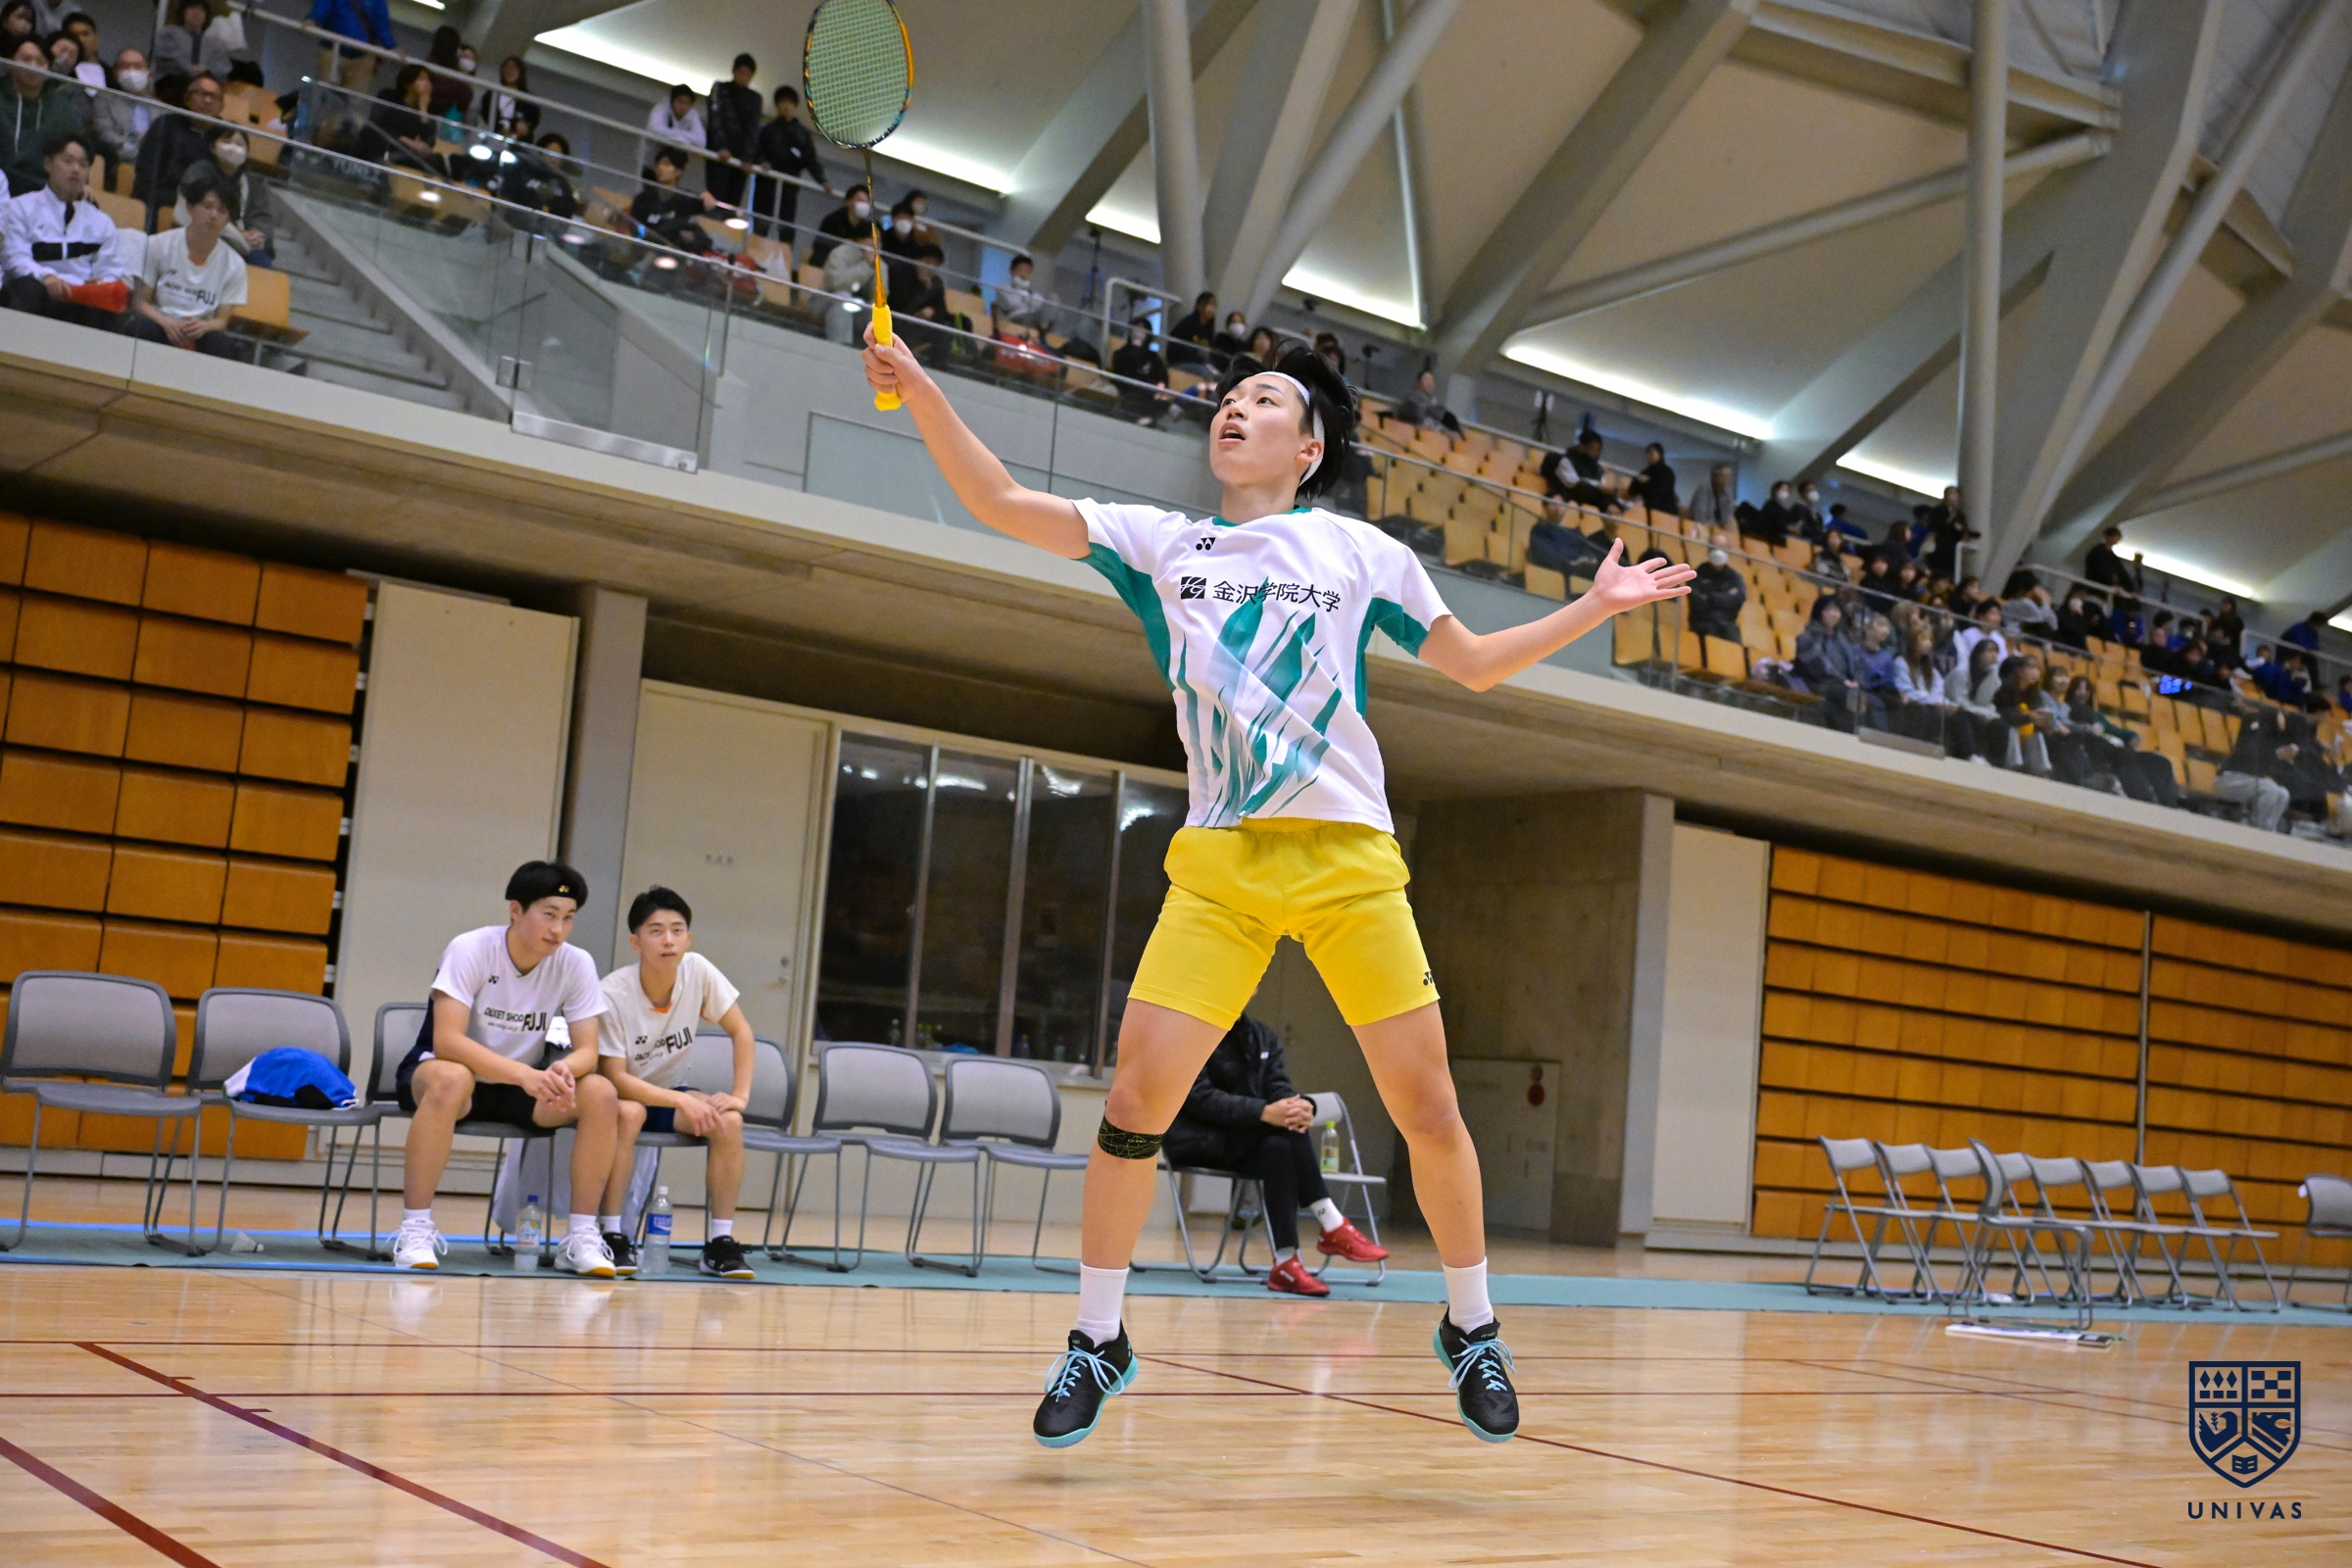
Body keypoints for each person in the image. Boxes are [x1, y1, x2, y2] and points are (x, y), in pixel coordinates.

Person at [857, 324, 1693, 1451]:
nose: (1234, 408)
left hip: (1349, 860)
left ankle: (1473, 1323)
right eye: (1230, 395)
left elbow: (1475, 664)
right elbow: (1000, 500)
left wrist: (1595, 606)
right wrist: (919, 389)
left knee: (1429, 1107)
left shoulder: (1361, 553)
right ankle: (1098, 1336)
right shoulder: (1163, 544)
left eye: (1263, 399)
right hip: (1224, 863)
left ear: (1308, 449)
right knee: (1133, 1104)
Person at [391, 861, 626, 1276]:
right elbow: (448, 1042)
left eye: (568, 918)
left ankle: (581, 1236)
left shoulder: (576, 963)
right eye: (549, 914)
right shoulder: (471, 948)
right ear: (516, 911)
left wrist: (564, 1071)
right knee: (451, 1078)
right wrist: (525, 1076)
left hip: (524, 1087)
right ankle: (415, 1229)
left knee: (602, 1093)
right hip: (447, 1075)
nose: (558, 929)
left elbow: (588, 1051)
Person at [1161, 1013, 1389, 1298]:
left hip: (1246, 1139)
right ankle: (1331, 1223)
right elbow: (1199, 1098)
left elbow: (1278, 1085)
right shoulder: (1192, 1033)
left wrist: (1296, 1107)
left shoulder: (1262, 1035)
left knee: (1281, 1143)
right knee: (1283, 1134)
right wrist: (1264, 1112)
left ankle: (1285, 1262)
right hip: (1197, 1140)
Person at [596, 887, 760, 1280]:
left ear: (688, 938)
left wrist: (739, 1096)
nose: (668, 940)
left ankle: (719, 1243)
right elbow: (615, 1077)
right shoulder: (612, 993)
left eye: (677, 930)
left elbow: (741, 1032)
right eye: (656, 931)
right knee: (629, 1114)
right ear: (636, 942)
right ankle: (612, 1234)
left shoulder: (697, 971)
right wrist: (681, 1101)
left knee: (729, 1122)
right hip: (623, 1096)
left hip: (671, 1095)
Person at [1, 127, 123, 323]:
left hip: (81, 297)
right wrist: (46, 277)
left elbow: (111, 270)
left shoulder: (102, 223)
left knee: (109, 309)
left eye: (83, 164)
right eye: (67, 161)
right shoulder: (20, 208)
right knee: (27, 290)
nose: (75, 169)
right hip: (38, 288)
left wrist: (101, 283)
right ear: (48, 164)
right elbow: (14, 257)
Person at [126, 160, 244, 355]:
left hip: (200, 330)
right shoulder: (158, 244)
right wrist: (165, 321)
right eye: (207, 206)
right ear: (190, 207)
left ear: (228, 220)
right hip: (162, 320)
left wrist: (205, 326)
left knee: (223, 345)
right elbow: (139, 302)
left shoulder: (235, 264)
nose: (214, 215)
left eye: (222, 211)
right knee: (140, 328)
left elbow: (222, 320)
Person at [130, 67, 218, 218]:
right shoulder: (166, 125)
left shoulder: (223, 137)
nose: (208, 101)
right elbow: (146, 173)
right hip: (161, 204)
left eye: (214, 96)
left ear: (221, 106)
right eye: (202, 94)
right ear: (188, 99)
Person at [177, 123, 267, 266]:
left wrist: (256, 233)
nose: (233, 148)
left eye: (239, 144)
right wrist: (239, 236)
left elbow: (261, 216)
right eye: (227, 141)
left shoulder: (252, 183)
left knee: (261, 259)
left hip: (241, 241)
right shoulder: (198, 172)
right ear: (213, 147)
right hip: (203, 233)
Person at [3, 36, 80, 195]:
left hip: (43, 191)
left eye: (41, 62)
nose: (33, 67)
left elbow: (75, 152)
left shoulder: (62, 109)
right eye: (26, 59)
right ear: (10, 62)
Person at [753, 82, 824, 249]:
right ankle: (756, 253)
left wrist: (822, 180)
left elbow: (810, 159)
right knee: (761, 222)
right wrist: (762, 162)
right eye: (783, 102)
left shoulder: (802, 133)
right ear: (777, 105)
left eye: (790, 103)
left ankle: (784, 258)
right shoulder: (768, 130)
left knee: (786, 225)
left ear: (795, 106)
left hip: (789, 187)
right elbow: (757, 151)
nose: (786, 106)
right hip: (766, 184)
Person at [1793, 594, 1868, 731]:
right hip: (1814, 682)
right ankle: (1848, 734)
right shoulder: (1806, 637)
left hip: (1839, 684)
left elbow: (1856, 664)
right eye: (1829, 610)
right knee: (1847, 695)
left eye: (1836, 610)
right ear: (1819, 612)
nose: (1833, 614)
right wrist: (1842, 681)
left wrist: (1856, 681)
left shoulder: (1843, 641)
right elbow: (1818, 666)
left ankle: (1857, 735)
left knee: (1866, 698)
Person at [2215, 704, 2293, 831]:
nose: (2284, 721)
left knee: (2283, 793)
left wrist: (2280, 757)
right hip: (2228, 779)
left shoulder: (2272, 742)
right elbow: (2250, 760)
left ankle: (2269, 829)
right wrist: (2276, 755)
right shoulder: (2253, 736)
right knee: (2270, 790)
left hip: (2249, 783)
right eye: (2281, 716)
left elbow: (2265, 771)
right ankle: (2259, 829)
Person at [307, 0, 392, 107]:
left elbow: (381, 22)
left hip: (361, 54)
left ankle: (337, 116)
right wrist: (313, 20)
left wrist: (391, 46)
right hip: (334, 49)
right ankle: (321, 115)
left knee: (353, 101)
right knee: (324, 94)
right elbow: (322, 6)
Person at [703, 52, 759, 211]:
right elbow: (715, 118)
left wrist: (748, 157)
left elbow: (753, 129)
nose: (744, 77)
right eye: (741, 72)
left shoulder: (755, 98)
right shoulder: (720, 88)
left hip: (740, 160)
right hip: (719, 155)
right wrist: (721, 146)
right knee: (715, 200)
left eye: (748, 74)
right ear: (734, 71)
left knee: (732, 206)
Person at [363, 65, 439, 174]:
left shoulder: (428, 111)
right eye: (422, 79)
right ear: (407, 83)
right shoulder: (388, 96)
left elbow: (428, 142)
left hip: (404, 153)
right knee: (370, 136)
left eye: (429, 80)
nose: (427, 84)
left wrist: (423, 108)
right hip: (382, 144)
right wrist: (405, 140)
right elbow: (377, 123)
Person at [90, 46, 151, 177]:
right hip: (117, 166)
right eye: (125, 66)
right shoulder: (103, 99)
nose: (132, 71)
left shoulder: (160, 108)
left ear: (148, 73)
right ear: (115, 73)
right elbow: (104, 133)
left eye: (138, 66)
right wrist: (135, 151)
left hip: (151, 170)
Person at [890, 241, 951, 359]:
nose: (930, 268)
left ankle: (937, 365)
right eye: (927, 262)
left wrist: (932, 313)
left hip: (920, 325)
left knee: (943, 334)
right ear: (918, 260)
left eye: (935, 265)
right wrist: (923, 288)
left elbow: (941, 311)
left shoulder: (936, 284)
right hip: (898, 320)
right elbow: (899, 303)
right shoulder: (901, 273)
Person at [1109, 311, 1169, 424]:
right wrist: (1134, 349)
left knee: (1163, 401)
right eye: (1136, 328)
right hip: (1129, 390)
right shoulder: (1121, 353)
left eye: (1142, 329)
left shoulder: (1153, 357)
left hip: (1149, 392)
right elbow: (1120, 373)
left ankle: (1145, 420)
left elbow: (1162, 379)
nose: (1138, 332)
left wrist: (1159, 388)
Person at [154, 0, 230, 86]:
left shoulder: (215, 44)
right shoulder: (168, 34)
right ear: (184, 12)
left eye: (201, 10)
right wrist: (187, 68)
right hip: (170, 84)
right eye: (192, 8)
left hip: (203, 86)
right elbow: (162, 57)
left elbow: (223, 68)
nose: (196, 13)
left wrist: (206, 71)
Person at [1687, 531, 1745, 642]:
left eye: (1722, 547)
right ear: (1708, 549)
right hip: (1702, 625)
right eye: (1713, 547)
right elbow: (1697, 603)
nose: (1718, 551)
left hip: (1727, 626)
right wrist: (1725, 597)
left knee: (1734, 638)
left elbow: (1737, 601)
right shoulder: (1697, 574)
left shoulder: (1734, 577)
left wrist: (1710, 597)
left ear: (1728, 551)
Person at [818, 230, 875, 342]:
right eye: (872, 239)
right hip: (828, 301)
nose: (875, 244)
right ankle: (840, 347)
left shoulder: (876, 261)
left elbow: (880, 294)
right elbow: (836, 284)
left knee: (877, 314)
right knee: (842, 302)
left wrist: (877, 267)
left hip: (860, 306)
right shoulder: (840, 254)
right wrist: (866, 266)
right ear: (861, 240)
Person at [641, 82, 703, 176]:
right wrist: (684, 140)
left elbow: (701, 141)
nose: (683, 107)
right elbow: (655, 129)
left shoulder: (692, 114)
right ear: (672, 101)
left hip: (673, 170)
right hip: (650, 164)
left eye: (687, 104)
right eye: (680, 102)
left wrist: (673, 138)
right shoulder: (661, 108)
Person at [808, 180, 870, 268]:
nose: (864, 205)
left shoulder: (866, 228)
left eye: (866, 202)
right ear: (848, 202)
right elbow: (821, 247)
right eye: (860, 200)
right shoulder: (832, 220)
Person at [990, 250, 1051, 334]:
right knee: (1042, 313)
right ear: (1012, 270)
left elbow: (1043, 306)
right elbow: (1011, 304)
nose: (1024, 274)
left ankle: (1050, 335)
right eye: (1020, 270)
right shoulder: (1002, 288)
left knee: (1053, 301)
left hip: (1032, 320)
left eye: (1027, 271)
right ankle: (1043, 328)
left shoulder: (1033, 294)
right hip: (1014, 320)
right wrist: (1030, 304)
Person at [422, 25, 470, 120]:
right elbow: (466, 95)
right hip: (440, 114)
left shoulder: (428, 64)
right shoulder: (454, 72)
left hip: (428, 110)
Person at [2082, 524, 2141, 595]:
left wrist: (2131, 589)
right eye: (2114, 537)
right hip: (2097, 585)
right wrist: (2111, 580)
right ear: (2107, 536)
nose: (2116, 539)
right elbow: (2099, 569)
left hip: (2106, 587)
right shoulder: (2097, 551)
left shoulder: (2113, 556)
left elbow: (2122, 572)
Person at [1165, 288, 1217, 367]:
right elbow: (1176, 348)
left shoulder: (1209, 328)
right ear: (1199, 305)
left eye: (1214, 305)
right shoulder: (1187, 324)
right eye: (1209, 304)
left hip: (1199, 363)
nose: (1212, 308)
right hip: (1181, 362)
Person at [1395, 366, 1454, 433]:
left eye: (1432, 381)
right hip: (1416, 433)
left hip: (1434, 433)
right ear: (1418, 383)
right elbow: (1416, 419)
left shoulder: (1434, 402)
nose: (1430, 383)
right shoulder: (1412, 398)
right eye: (1427, 380)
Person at [1953, 598, 2007, 670]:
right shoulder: (1968, 634)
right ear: (1981, 616)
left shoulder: (2000, 639)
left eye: (1999, 614)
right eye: (1993, 613)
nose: (1997, 618)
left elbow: (2002, 661)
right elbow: (1964, 658)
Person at [479, 54, 527, 135]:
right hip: (492, 134)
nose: (510, 71)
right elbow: (486, 113)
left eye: (514, 68)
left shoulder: (526, 99)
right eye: (507, 67)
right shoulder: (491, 94)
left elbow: (530, 120)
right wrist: (500, 128)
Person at [1686, 462, 1739, 528]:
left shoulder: (1727, 492)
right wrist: (1715, 526)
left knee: (1732, 522)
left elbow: (1728, 514)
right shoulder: (1703, 489)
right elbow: (1700, 515)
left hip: (1717, 524)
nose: (1727, 479)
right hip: (1699, 524)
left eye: (1729, 476)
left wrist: (1724, 524)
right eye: (1724, 476)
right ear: (1715, 477)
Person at [1632, 443, 1679, 516]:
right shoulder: (1646, 471)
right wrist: (1638, 481)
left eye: (1652, 453)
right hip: (1646, 507)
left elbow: (1661, 492)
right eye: (1648, 453)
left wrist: (1645, 503)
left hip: (1663, 509)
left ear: (1660, 454)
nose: (1650, 456)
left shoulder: (1666, 472)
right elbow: (1633, 491)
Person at [1753, 480, 1802, 550]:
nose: (1786, 492)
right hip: (1773, 535)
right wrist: (1788, 528)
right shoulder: (1770, 504)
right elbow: (1774, 521)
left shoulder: (1787, 508)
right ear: (1775, 491)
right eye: (1783, 489)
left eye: (1787, 490)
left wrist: (1795, 528)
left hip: (1786, 535)